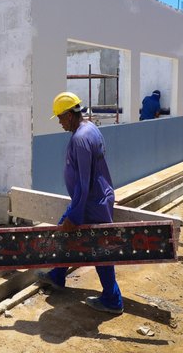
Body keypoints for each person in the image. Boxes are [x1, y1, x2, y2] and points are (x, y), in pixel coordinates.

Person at [36, 91, 124, 315]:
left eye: (60, 117)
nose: (59, 122)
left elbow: (84, 183)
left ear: (70, 114)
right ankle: (57, 275)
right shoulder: (89, 129)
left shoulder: (81, 139)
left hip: (91, 203)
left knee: (99, 250)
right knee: (64, 233)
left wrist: (75, 216)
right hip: (89, 199)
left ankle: (113, 300)